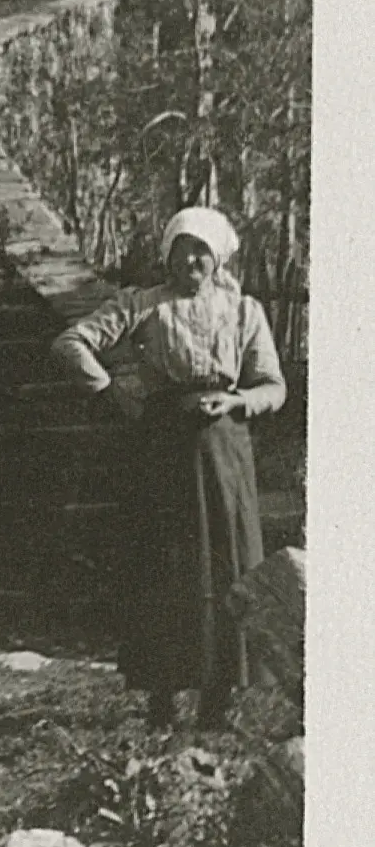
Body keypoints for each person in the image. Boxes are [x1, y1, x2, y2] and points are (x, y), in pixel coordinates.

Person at [51, 205, 286, 732]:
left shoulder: (243, 311)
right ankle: (160, 700)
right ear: (168, 256)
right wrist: (113, 392)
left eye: (202, 250)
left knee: (225, 566)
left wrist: (235, 402)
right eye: (182, 250)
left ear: (218, 255)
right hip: (162, 453)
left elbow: (274, 385)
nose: (191, 260)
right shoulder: (144, 306)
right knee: (164, 569)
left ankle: (217, 703)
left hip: (224, 452)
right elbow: (72, 344)